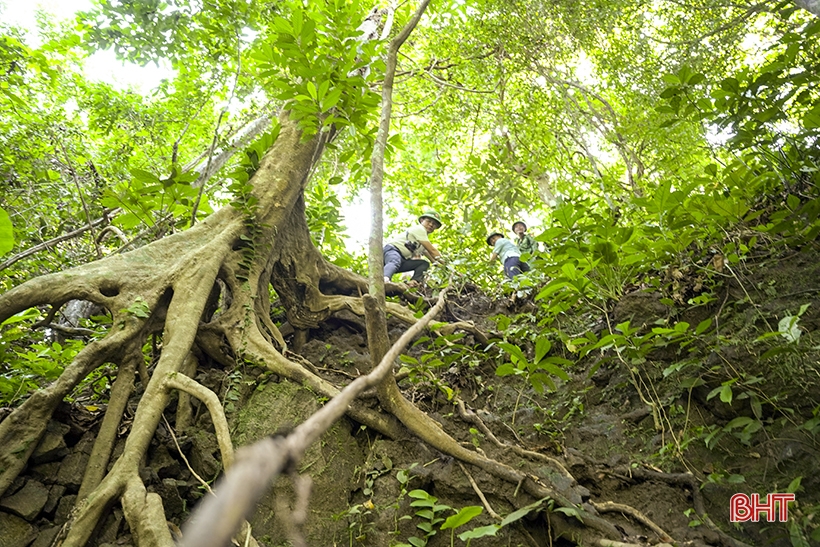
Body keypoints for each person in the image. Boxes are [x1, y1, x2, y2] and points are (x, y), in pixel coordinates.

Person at [383, 210, 443, 287]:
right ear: (422, 220)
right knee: (395, 260)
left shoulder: (422, 244)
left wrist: (451, 271)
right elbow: (432, 251)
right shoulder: (420, 229)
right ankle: (385, 279)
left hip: (401, 261)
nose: (431, 225)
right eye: (429, 221)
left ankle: (413, 282)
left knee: (424, 264)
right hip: (392, 251)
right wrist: (447, 264)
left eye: (434, 224)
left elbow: (434, 260)